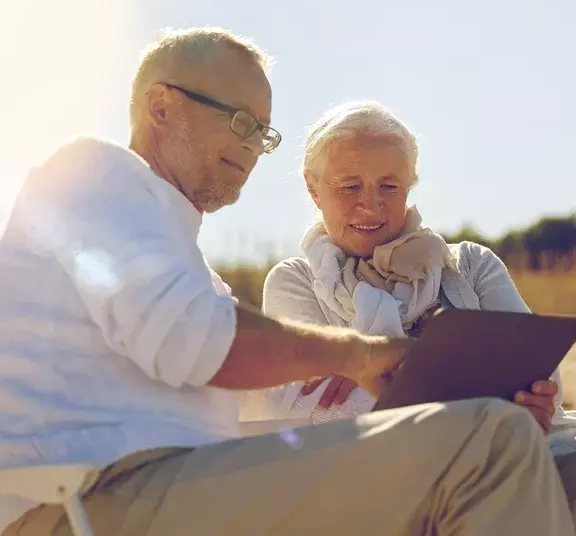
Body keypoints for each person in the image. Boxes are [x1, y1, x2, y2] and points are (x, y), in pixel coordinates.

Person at [0, 29, 573, 536]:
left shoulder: (192, 268)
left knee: (500, 448)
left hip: (183, 478)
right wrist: (360, 353)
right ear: (161, 106)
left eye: (265, 133)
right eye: (242, 122)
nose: (253, 146)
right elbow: (199, 341)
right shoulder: (92, 172)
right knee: (492, 442)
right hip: (90, 497)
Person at [259, 100, 576, 513]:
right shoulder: (294, 282)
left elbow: (541, 370)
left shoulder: (469, 265)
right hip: (382, 477)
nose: (370, 205)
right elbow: (312, 408)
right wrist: (487, 410)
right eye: (349, 186)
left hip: (519, 447)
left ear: (410, 184)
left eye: (389, 186)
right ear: (312, 187)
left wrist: (535, 400)